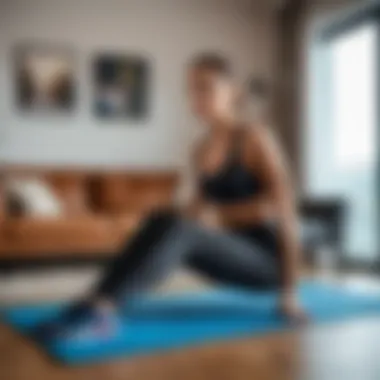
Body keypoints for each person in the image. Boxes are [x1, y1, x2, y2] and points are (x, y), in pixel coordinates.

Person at [37, 53, 307, 341]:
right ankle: (92, 300)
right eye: (191, 88)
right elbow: (198, 209)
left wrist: (290, 292)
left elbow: (284, 209)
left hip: (268, 264)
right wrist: (166, 219)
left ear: (233, 91)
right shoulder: (200, 148)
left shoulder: (255, 136)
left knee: (181, 226)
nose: (196, 97)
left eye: (206, 87)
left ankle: (102, 312)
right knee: (165, 217)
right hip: (229, 251)